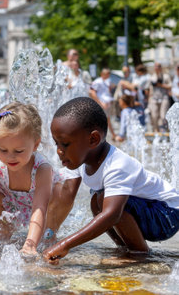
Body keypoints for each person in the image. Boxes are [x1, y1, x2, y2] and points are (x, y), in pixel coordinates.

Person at [43, 97, 179, 264]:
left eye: (64, 144)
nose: (58, 151)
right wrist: (49, 235)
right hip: (148, 211)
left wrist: (65, 244)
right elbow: (65, 197)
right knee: (96, 202)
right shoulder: (81, 160)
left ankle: (139, 253)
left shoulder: (117, 165)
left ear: (93, 140)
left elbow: (112, 215)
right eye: (56, 143)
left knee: (104, 201)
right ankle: (125, 248)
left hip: (167, 215)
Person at [0, 102, 61, 255]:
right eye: (2, 149)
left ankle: (49, 234)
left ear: (36, 144)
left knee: (60, 190)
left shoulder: (41, 169)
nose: (10, 157)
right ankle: (6, 232)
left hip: (39, 209)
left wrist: (30, 245)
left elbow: (40, 208)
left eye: (18, 151)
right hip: (11, 207)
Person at [89, 68, 116, 139]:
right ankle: (108, 135)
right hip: (102, 104)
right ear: (102, 74)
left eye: (108, 74)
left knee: (107, 119)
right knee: (102, 120)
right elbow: (92, 92)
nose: (108, 75)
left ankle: (111, 135)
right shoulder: (97, 82)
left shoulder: (107, 81)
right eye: (106, 74)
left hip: (107, 104)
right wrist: (100, 103)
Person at [148, 63, 171, 132]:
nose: (156, 68)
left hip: (164, 97)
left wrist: (161, 85)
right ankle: (156, 130)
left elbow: (170, 86)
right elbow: (150, 89)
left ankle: (165, 130)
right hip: (154, 98)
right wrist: (149, 99)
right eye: (155, 66)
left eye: (158, 66)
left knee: (163, 115)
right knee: (154, 115)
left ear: (161, 68)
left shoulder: (166, 76)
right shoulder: (152, 77)